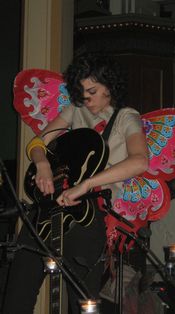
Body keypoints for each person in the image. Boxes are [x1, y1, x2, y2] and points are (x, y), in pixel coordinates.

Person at [2, 52, 148, 314]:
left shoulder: (127, 117)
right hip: (47, 210)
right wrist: (42, 164)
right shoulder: (74, 110)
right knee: (17, 295)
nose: (86, 98)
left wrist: (85, 184)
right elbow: (37, 144)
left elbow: (140, 162)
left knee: (83, 305)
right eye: (81, 91)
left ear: (110, 86)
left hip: (88, 215)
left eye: (92, 90)